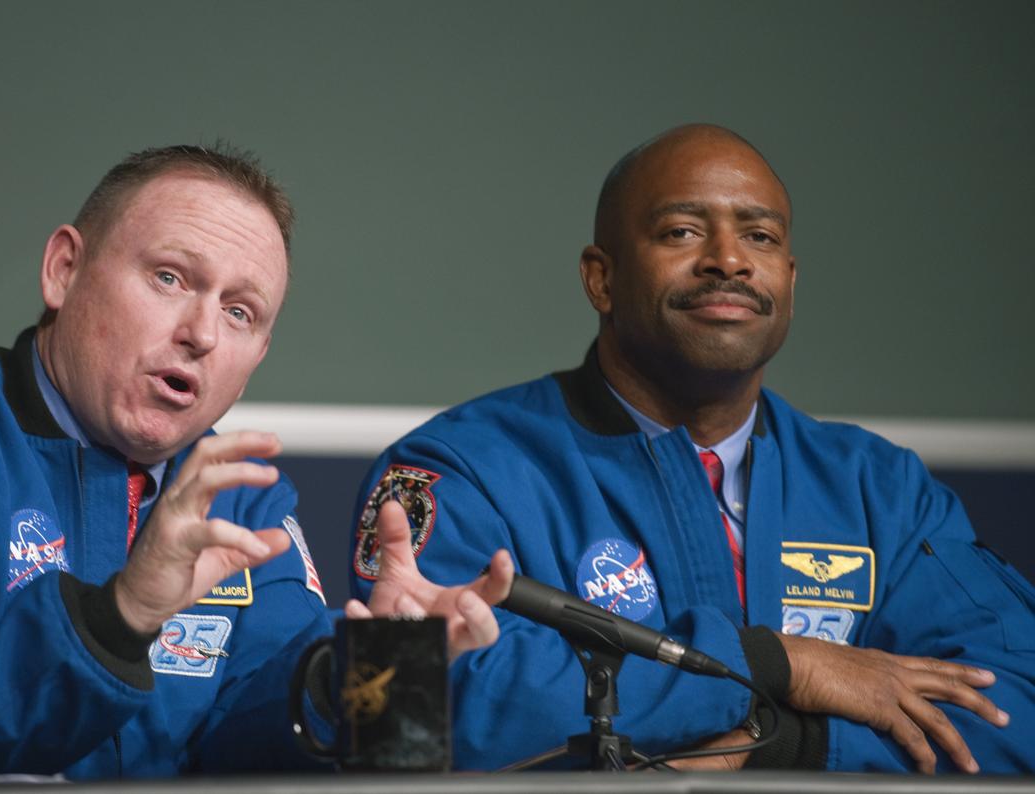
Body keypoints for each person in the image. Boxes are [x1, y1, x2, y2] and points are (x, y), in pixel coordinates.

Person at [0, 144, 513, 783]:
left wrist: (385, 680)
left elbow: (249, 749)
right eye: (170, 278)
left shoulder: (241, 501)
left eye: (240, 312)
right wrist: (115, 623)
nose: (202, 334)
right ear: (62, 271)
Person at [350, 124, 1035, 774]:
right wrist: (768, 665)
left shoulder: (880, 490)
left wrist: (785, 747)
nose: (729, 260)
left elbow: (1014, 703)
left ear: (790, 283)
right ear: (602, 279)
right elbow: (392, 710)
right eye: (682, 232)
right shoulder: (462, 469)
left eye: (760, 237)